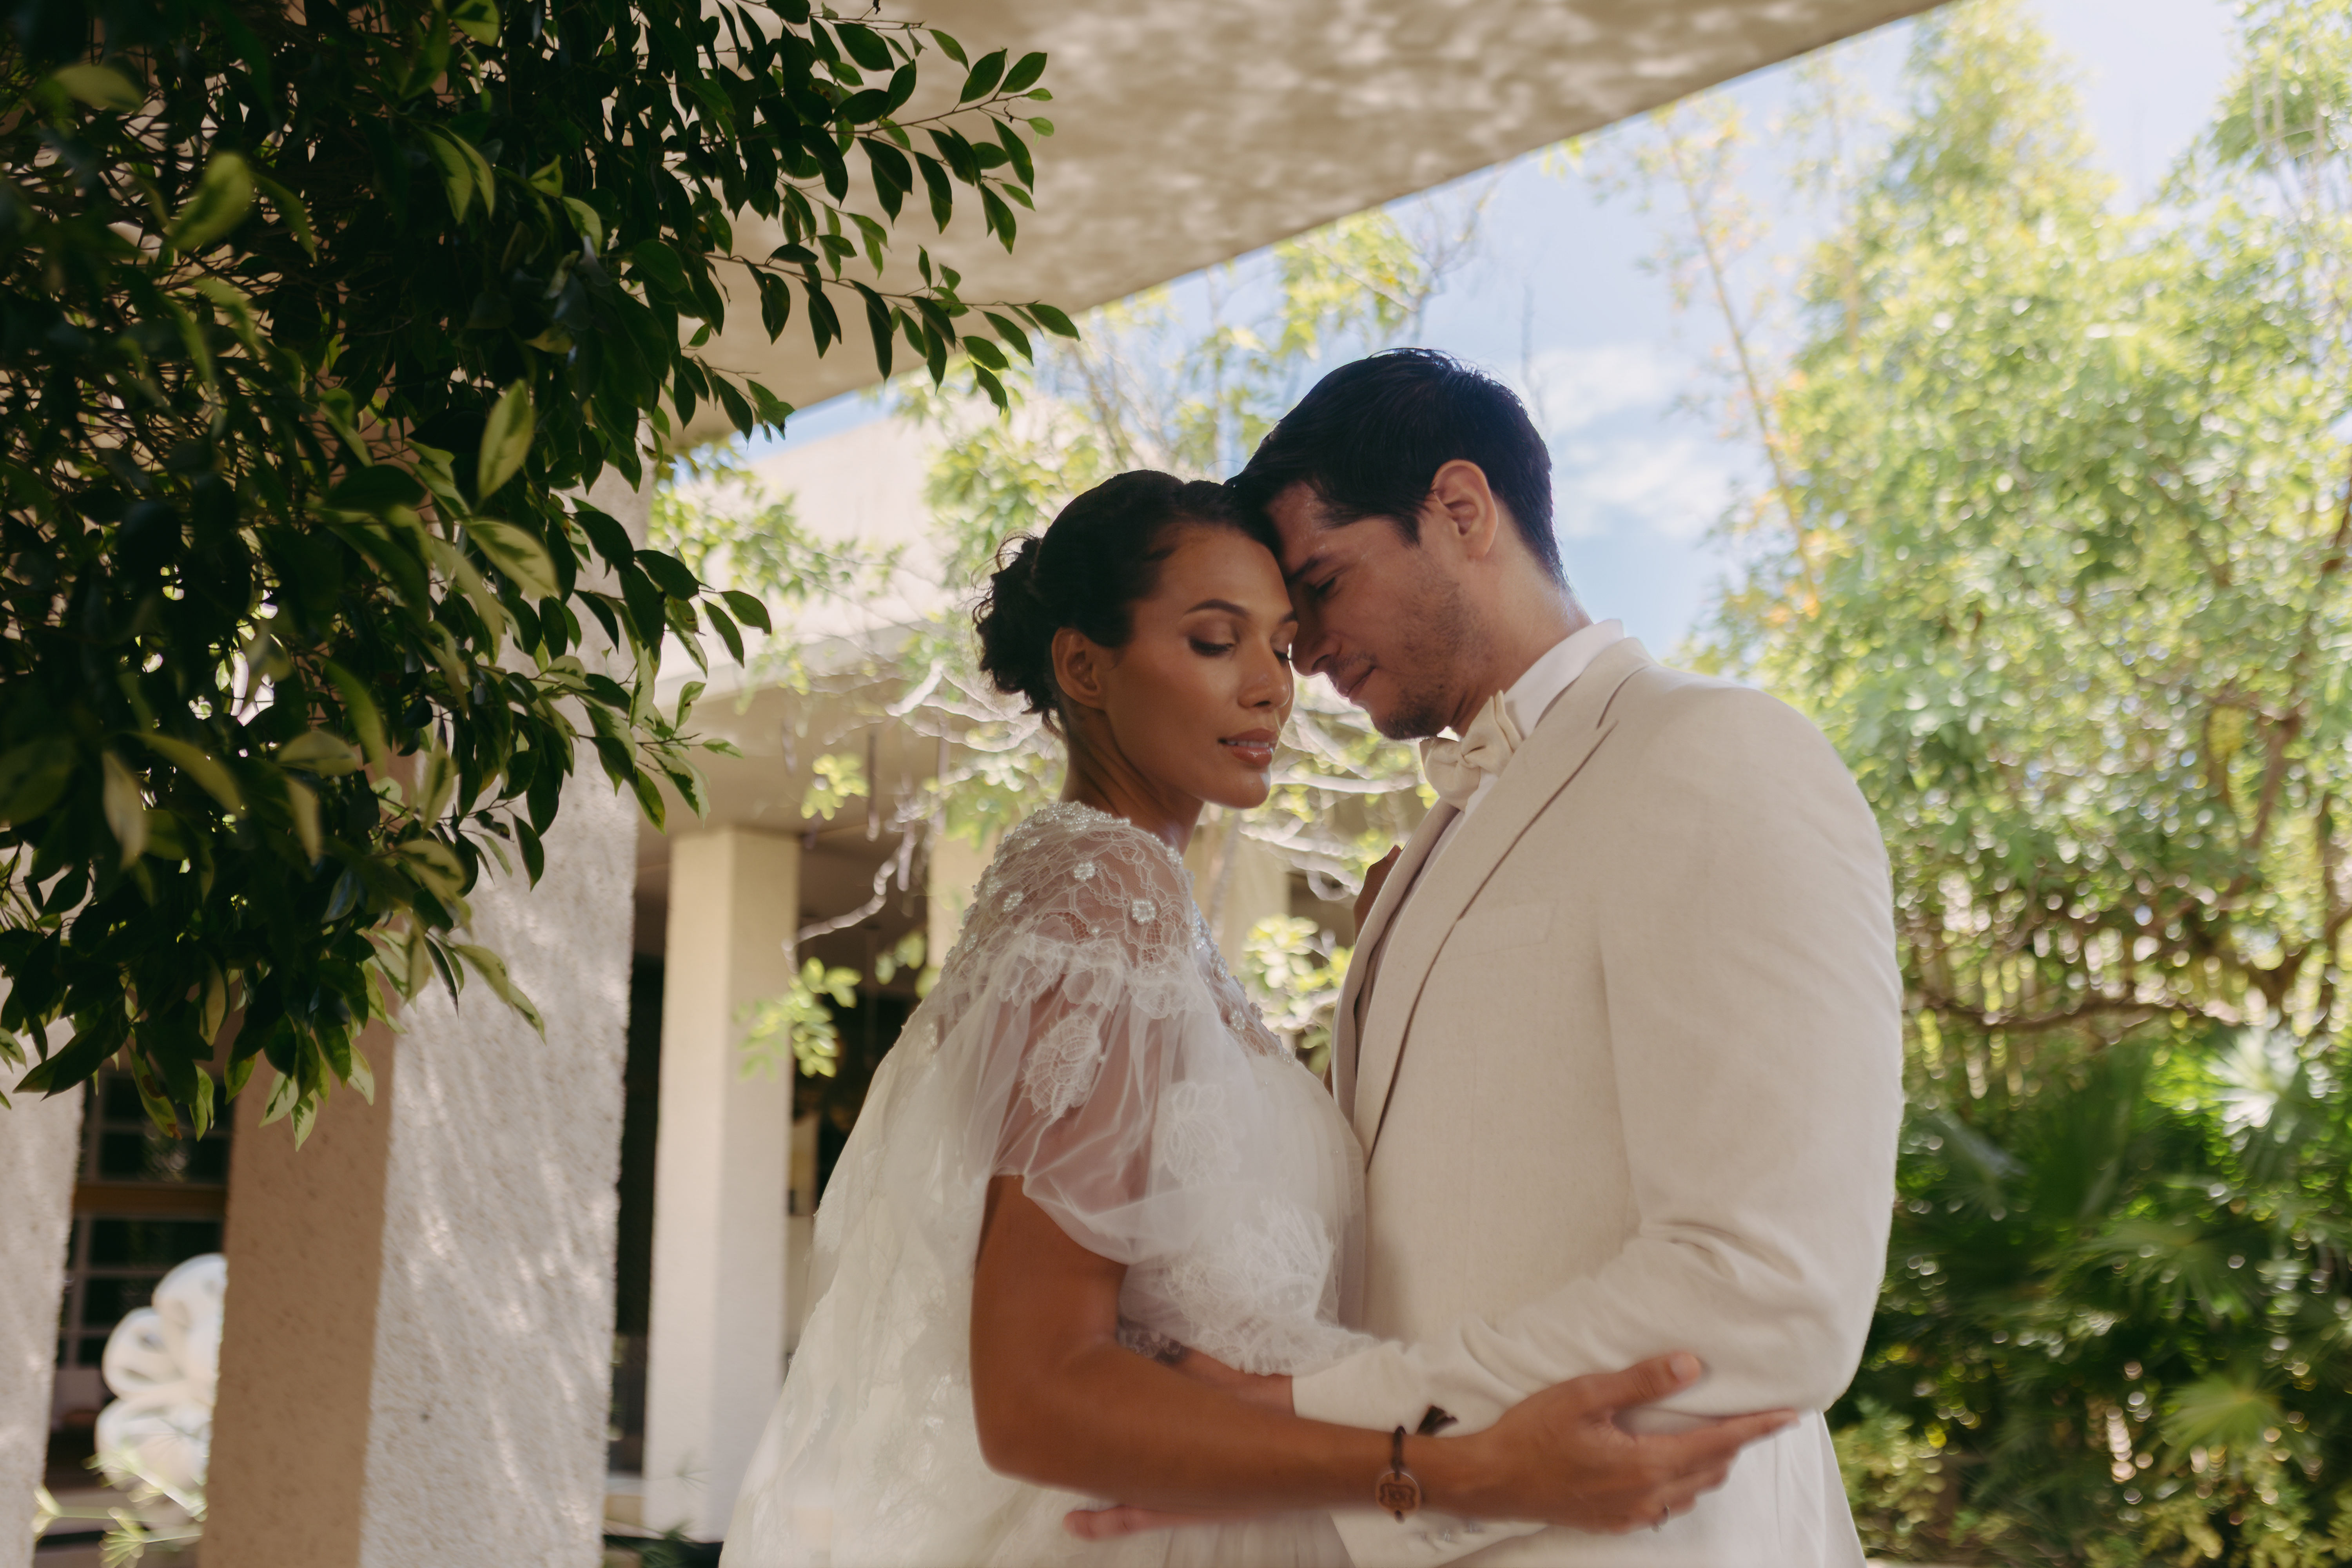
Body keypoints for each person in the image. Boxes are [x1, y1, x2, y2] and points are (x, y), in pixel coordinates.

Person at [719, 469, 1794, 1568]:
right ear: (1083, 664)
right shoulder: (1099, 900)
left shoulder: (1155, 920)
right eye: (1213, 641)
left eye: (1282, 646)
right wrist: (1453, 1471)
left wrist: (1398, 969)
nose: (1270, 689)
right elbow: (1033, 1393)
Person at [1092, 348, 1904, 1564]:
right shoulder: (1421, 857)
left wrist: (1315, 1417)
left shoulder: (1717, 753)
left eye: (1322, 582)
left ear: (1461, 509)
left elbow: (1766, 1287)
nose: (1301, 653)